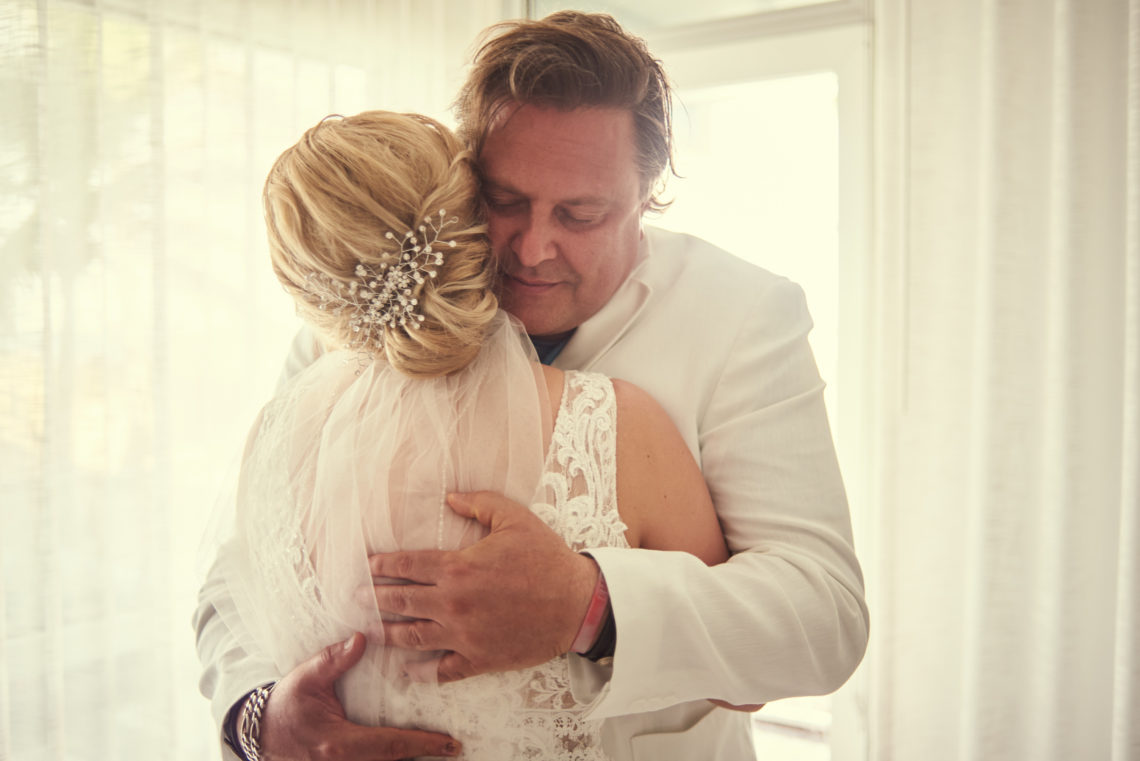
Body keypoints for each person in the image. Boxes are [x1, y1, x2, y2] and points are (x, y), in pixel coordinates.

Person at [194, 11, 869, 761]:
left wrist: (590, 606)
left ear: (649, 193)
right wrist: (258, 718)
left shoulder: (744, 316)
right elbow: (238, 571)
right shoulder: (363, 319)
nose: (530, 246)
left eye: (581, 213)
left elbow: (823, 621)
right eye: (505, 199)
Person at [201, 108, 729, 760]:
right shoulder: (619, 428)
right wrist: (258, 716)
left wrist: (584, 603)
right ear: (476, 224)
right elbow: (735, 669)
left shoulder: (273, 438)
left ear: (303, 287)